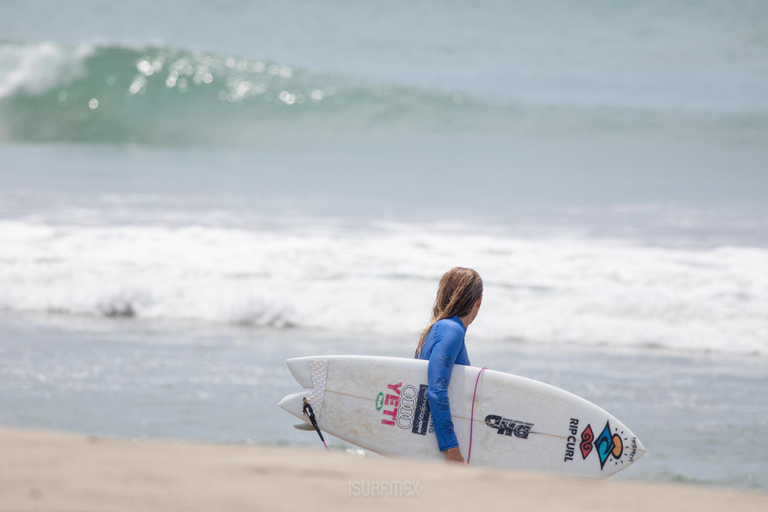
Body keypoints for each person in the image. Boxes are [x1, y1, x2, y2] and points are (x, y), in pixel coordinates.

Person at [415, 267, 483, 464]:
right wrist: (452, 450)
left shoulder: (435, 329)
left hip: (424, 436)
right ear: (479, 300)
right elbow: (436, 391)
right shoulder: (452, 330)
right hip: (440, 445)